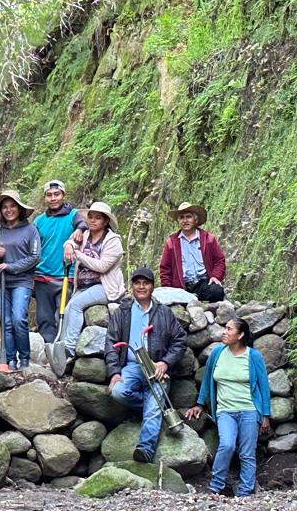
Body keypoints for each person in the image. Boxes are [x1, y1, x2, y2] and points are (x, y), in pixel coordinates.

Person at [105, 267, 186, 463]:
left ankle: (145, 449)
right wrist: (114, 372)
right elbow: (110, 343)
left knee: (154, 402)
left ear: (152, 287)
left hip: (157, 369)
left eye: (146, 283)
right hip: (132, 366)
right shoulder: (122, 312)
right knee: (118, 391)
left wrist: (165, 363)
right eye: (137, 283)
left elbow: (180, 340)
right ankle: (154, 407)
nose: (141, 287)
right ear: (132, 286)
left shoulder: (164, 313)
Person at [188, 318, 271, 497]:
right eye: (225, 328)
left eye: (229, 329)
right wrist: (200, 404)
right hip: (225, 411)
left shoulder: (253, 356)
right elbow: (207, 381)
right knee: (226, 445)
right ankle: (215, 487)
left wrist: (265, 415)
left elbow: (263, 386)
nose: (224, 332)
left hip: (249, 410)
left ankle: (245, 492)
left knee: (247, 453)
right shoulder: (217, 353)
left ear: (240, 335)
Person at [0, 190, 41, 370]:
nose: (8, 210)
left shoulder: (30, 230)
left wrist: (12, 267)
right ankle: (9, 359)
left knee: (18, 319)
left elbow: (35, 256)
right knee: (5, 321)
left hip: (21, 280)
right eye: (5, 207)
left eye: (12, 206)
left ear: (19, 208)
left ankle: (24, 358)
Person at [60, 201, 125, 359]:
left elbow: (102, 266)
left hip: (104, 286)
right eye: (90, 217)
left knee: (75, 306)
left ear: (105, 221)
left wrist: (79, 255)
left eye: (98, 218)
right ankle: (60, 348)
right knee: (67, 310)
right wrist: (69, 245)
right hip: (83, 285)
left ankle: (69, 348)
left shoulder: (113, 241)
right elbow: (70, 242)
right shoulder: (85, 234)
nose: (93, 221)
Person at [32, 181, 87, 342]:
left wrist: (79, 229)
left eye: (57, 194)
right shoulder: (39, 221)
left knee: (63, 315)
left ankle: (64, 348)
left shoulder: (73, 215)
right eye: (49, 195)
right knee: (44, 318)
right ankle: (48, 351)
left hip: (65, 275)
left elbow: (83, 223)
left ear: (63, 195)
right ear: (45, 198)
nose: (53, 198)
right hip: (42, 276)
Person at [158, 202, 227, 302]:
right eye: (181, 217)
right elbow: (165, 268)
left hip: (203, 283)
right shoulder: (171, 242)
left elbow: (219, 261)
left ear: (195, 219)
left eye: (188, 217)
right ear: (178, 221)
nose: (185, 220)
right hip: (181, 286)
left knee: (217, 291)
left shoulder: (208, 239)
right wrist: (167, 288)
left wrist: (215, 276)